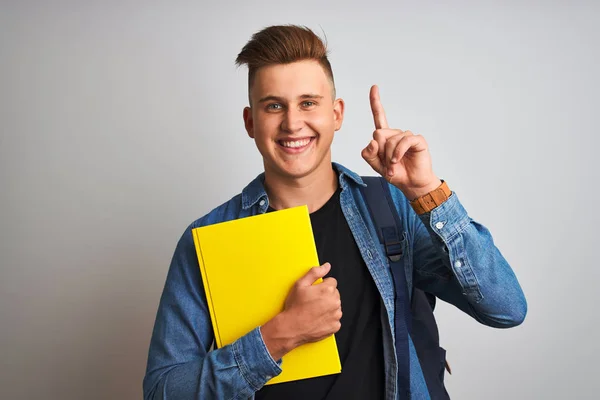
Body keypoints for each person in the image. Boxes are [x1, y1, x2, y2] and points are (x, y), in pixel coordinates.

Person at [143, 25, 527, 400]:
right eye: (274, 105)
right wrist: (278, 336)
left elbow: (506, 309)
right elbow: (162, 390)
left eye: (308, 103)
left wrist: (427, 192)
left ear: (337, 114)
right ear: (250, 122)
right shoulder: (208, 238)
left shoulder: (391, 207)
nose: (293, 123)